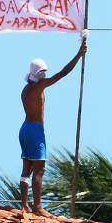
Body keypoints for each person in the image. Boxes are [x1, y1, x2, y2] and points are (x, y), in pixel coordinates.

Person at [18, 41, 86, 214]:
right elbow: (63, 73)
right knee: (39, 168)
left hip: (25, 129)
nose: (45, 74)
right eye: (42, 72)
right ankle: (37, 206)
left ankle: (24, 204)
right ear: (37, 73)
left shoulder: (26, 89)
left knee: (27, 168)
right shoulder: (38, 87)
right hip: (34, 130)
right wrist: (78, 55)